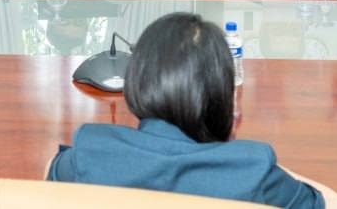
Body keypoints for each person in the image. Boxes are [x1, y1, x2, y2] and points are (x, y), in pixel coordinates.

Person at [48, 12, 323, 208]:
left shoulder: (90, 152)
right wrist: (276, 171)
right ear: (221, 92)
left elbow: (48, 179)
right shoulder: (253, 169)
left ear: (136, 81)